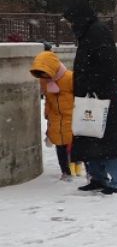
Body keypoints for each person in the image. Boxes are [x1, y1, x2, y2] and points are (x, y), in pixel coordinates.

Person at [63, 1, 117, 194]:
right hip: (90, 97)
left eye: (70, 21)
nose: (69, 25)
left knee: (108, 140)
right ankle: (97, 178)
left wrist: (93, 88)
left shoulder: (97, 33)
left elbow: (104, 66)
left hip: (102, 97)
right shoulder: (88, 32)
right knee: (89, 137)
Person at [29, 49, 75, 181]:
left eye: (45, 73)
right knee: (60, 146)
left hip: (71, 117)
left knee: (76, 146)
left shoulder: (70, 77)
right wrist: (47, 114)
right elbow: (48, 100)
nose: (44, 77)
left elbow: (80, 96)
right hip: (55, 119)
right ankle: (65, 171)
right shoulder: (44, 80)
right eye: (41, 75)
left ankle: (87, 171)